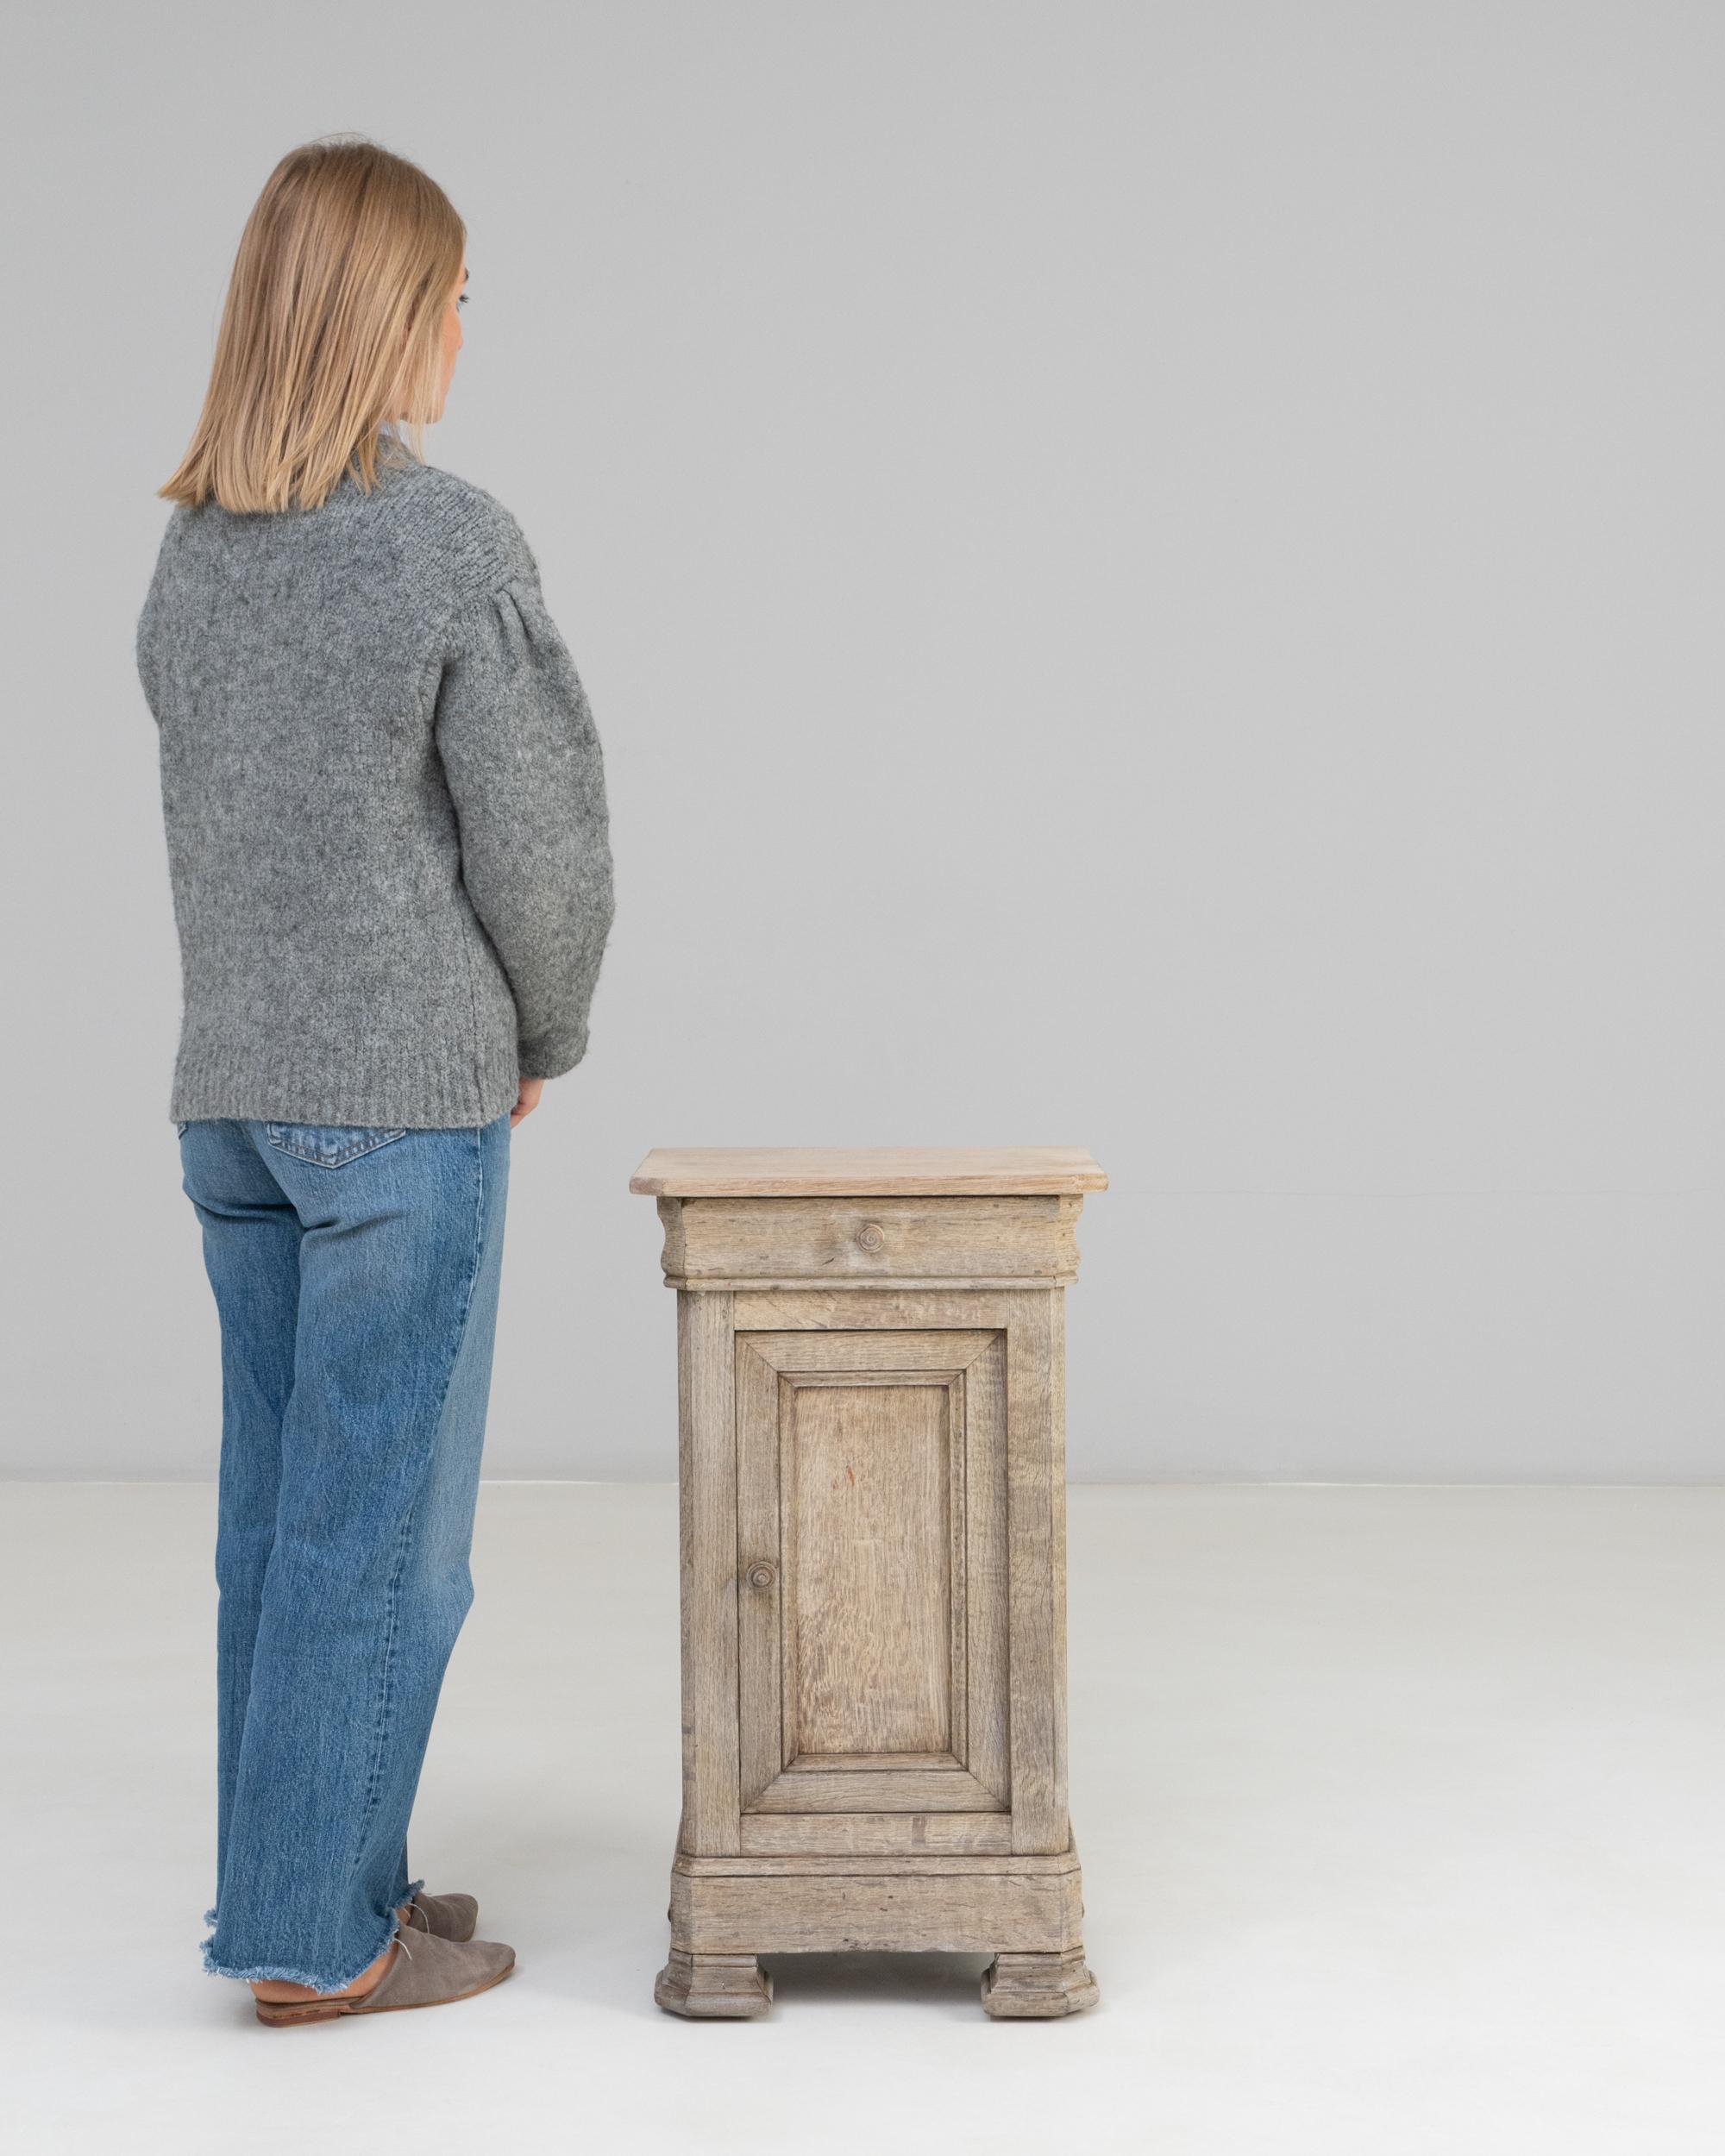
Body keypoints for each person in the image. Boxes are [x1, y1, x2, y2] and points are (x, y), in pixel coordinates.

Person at [134, 135, 616, 2026]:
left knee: (279, 1515)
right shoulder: (445, 539)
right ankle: (318, 1945)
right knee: (384, 1544)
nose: (464, 331)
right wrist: (546, 1028)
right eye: (453, 296)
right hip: (399, 1100)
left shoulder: (196, 550)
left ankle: (321, 1883)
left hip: (232, 1101)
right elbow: (547, 843)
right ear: (386, 316)